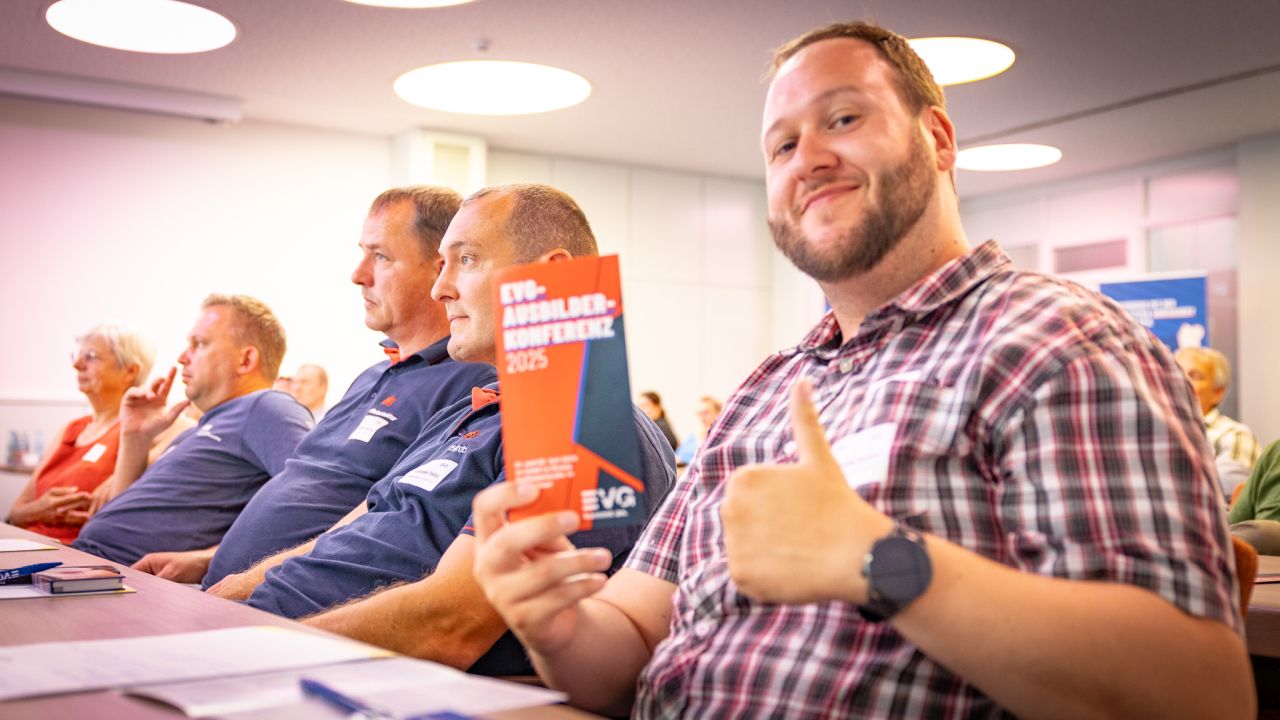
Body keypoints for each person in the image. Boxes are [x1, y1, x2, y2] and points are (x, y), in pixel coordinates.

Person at [470, 22, 1251, 719]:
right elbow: (630, 640)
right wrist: (555, 625)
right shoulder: (765, 390)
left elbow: (1198, 694)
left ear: (937, 139)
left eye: (843, 119)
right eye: (781, 147)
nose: (808, 159)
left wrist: (876, 559)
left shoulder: (1056, 340)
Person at [208, 183, 675, 676]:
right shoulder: (464, 412)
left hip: (315, 670)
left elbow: (449, 627)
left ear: (552, 275)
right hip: (255, 638)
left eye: (467, 260)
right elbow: (351, 528)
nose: (440, 289)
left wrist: (256, 648)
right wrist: (229, 596)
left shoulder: (589, 421)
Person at [132, 186, 496, 588]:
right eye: (363, 253)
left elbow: (386, 518)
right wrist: (209, 560)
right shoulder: (372, 375)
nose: (358, 275)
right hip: (230, 588)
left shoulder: (469, 381)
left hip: (289, 599)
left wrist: (250, 582)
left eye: (380, 256)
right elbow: (306, 487)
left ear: (438, 270)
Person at [72, 294, 314, 565]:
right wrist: (135, 437)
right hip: (89, 560)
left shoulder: (269, 407)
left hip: (124, 573)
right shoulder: (201, 429)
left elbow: (316, 504)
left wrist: (204, 560)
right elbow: (118, 513)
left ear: (245, 360)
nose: (182, 357)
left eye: (199, 344)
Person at [7, 323, 153, 541]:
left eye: (91, 357)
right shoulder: (70, 429)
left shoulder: (139, 431)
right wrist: (37, 510)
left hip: (77, 552)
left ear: (130, 371)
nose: (77, 365)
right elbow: (15, 513)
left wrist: (115, 479)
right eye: (77, 356)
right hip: (26, 543)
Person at [1175, 346, 1260, 496]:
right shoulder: (1156, 431)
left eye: (1194, 376)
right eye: (1177, 372)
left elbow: (1226, 494)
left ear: (1217, 392)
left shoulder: (1236, 435)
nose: (1181, 381)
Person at [673, 395, 722, 465]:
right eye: (699, 413)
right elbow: (676, 458)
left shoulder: (722, 439)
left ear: (718, 414)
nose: (701, 417)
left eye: (706, 413)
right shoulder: (691, 437)